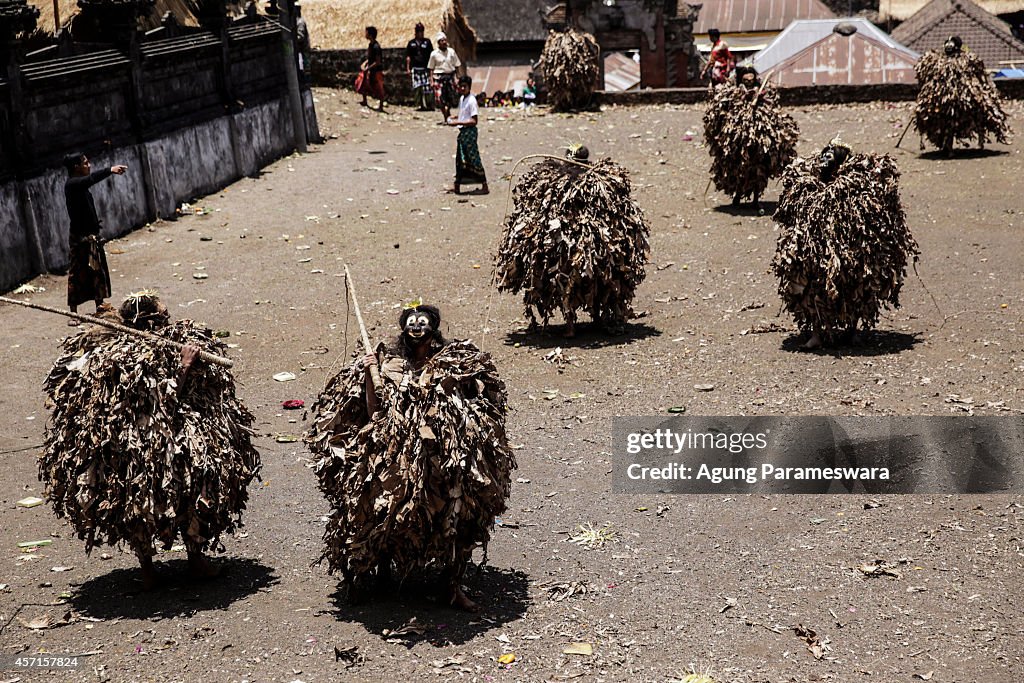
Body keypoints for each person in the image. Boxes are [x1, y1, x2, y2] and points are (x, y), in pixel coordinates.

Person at [40, 291, 261, 590]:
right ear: (152, 321)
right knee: (191, 478)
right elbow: (161, 403)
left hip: (137, 443)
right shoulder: (131, 358)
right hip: (142, 445)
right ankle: (179, 563)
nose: (169, 318)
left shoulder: (140, 347)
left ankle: (166, 566)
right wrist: (184, 365)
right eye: (164, 314)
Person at [306, 304, 516, 612]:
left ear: (433, 328)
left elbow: (474, 401)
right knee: (383, 506)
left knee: (459, 512)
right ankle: (381, 572)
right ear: (404, 329)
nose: (417, 328)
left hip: (445, 452)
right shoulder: (389, 365)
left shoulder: (450, 363)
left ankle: (452, 584)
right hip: (394, 449)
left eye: (423, 323)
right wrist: (369, 374)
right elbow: (375, 409)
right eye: (411, 323)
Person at [63, 153, 127, 326]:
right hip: (79, 238)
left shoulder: (81, 188)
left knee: (96, 270)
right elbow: (90, 179)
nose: (89, 165)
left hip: (92, 237)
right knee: (77, 273)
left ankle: (100, 306)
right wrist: (110, 170)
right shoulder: (72, 185)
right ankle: (74, 314)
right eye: (85, 162)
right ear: (76, 167)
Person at [448, 75, 488, 195]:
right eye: (460, 86)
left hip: (469, 132)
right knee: (461, 159)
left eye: (464, 86)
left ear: (469, 87)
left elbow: (474, 120)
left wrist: (458, 122)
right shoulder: (462, 99)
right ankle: (457, 186)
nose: (462, 88)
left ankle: (484, 185)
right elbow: (463, 114)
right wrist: (454, 117)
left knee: (474, 158)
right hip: (462, 132)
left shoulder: (472, 100)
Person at [428, 32, 461, 124]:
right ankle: (446, 115)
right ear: (438, 43)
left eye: (445, 40)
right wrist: (431, 80)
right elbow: (431, 68)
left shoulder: (451, 52)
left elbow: (457, 64)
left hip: (450, 76)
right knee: (439, 99)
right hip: (438, 77)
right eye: (442, 41)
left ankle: (448, 114)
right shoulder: (434, 54)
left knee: (451, 97)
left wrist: (457, 77)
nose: (444, 42)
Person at [405, 22, 434, 111]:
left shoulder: (427, 42)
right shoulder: (411, 43)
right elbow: (408, 57)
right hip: (416, 68)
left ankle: (429, 105)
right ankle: (420, 105)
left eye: (421, 31)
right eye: (418, 31)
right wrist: (408, 68)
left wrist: (432, 68)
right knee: (418, 88)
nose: (420, 33)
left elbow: (431, 55)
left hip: (425, 68)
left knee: (427, 87)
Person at [357, 25, 385, 111]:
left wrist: (368, 68)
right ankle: (365, 100)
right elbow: (370, 58)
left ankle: (381, 106)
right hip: (370, 68)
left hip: (376, 70)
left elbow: (377, 61)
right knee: (363, 83)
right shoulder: (371, 45)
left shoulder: (376, 47)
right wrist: (365, 64)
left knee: (379, 87)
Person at [294, 4, 310, 81]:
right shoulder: (296, 21)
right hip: (299, 50)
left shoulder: (300, 22)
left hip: (302, 50)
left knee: (303, 67)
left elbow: (300, 37)